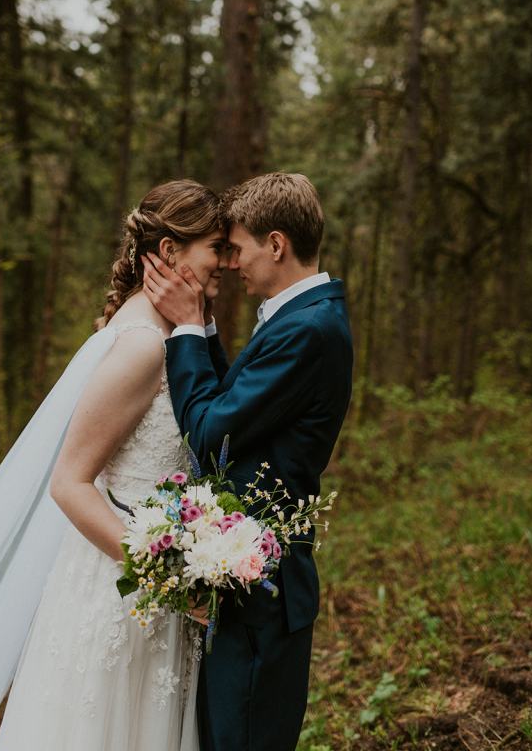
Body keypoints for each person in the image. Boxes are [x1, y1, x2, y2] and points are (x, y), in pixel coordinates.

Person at [0, 179, 227, 751]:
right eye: (215, 248)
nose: (227, 262)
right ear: (168, 252)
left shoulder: (171, 335)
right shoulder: (142, 346)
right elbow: (70, 483)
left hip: (145, 580)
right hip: (122, 587)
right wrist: (169, 579)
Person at [142, 172, 353, 751]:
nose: (231, 263)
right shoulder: (300, 316)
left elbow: (214, 432)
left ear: (277, 244)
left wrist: (184, 329)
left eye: (238, 248)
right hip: (247, 579)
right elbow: (243, 406)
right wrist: (204, 326)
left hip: (265, 596)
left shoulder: (310, 328)